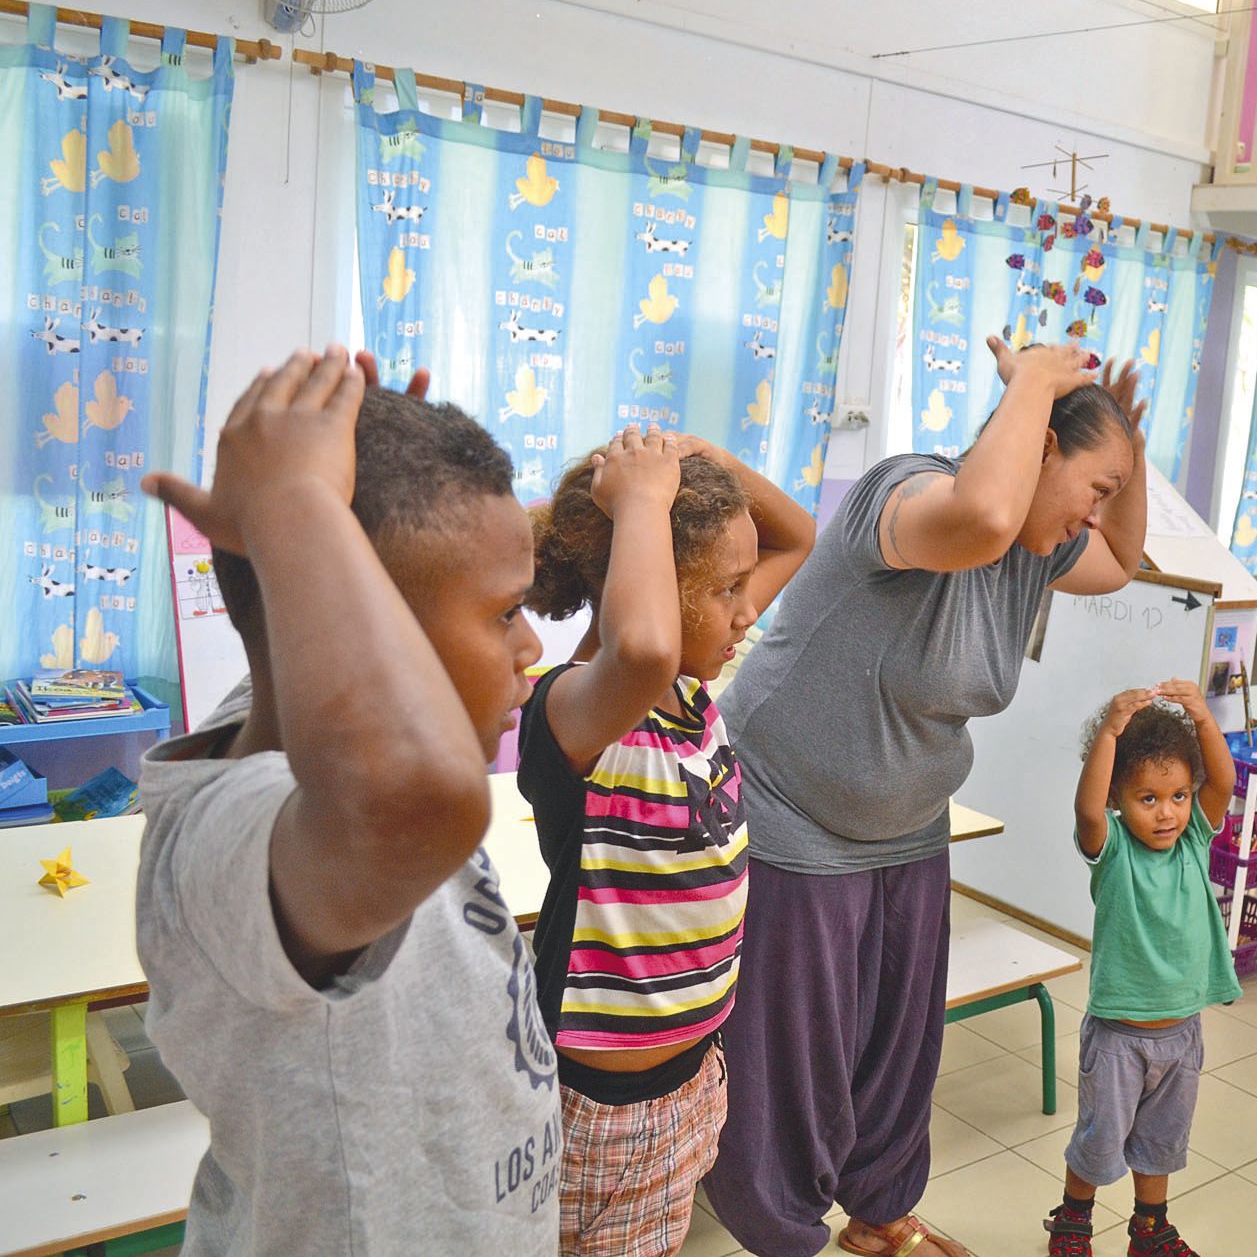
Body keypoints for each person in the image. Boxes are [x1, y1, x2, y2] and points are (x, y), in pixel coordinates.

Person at [702, 340, 1149, 1257]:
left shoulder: (1036, 551)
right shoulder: (908, 492)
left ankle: (878, 1216)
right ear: (1037, 450)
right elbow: (983, 512)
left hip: (907, 826)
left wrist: (1129, 447)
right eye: (1093, 489)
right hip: (793, 814)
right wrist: (1030, 379)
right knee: (796, 1063)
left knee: (897, 1051)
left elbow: (1126, 559)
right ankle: (784, 1236)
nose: (1092, 517)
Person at [136, 347, 560, 1253]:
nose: (530, 644)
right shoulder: (225, 834)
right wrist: (304, 507)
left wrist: (361, 496)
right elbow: (412, 791)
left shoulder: (309, 714)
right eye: (502, 613)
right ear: (380, 638)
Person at [516, 430, 814, 1255]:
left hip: (692, 1078)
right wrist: (644, 499)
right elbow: (640, 645)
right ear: (641, 583)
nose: (748, 610)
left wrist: (698, 455)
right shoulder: (573, 712)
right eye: (724, 589)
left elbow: (797, 535)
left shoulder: (687, 693)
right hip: (605, 1107)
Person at [1044, 682, 1241, 1257]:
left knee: (1161, 1142)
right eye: (1147, 798)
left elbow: (1222, 783)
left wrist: (1203, 718)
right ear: (1117, 800)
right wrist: (1108, 731)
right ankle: (1073, 1222)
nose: (1166, 812)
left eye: (1178, 795)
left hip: (1182, 1034)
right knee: (1099, 1142)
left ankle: (1149, 1229)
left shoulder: (1194, 841)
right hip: (1118, 1038)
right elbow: (1086, 807)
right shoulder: (1111, 849)